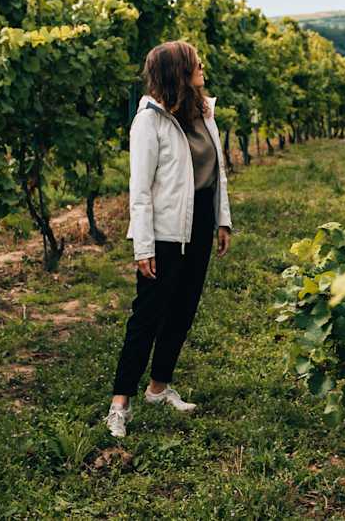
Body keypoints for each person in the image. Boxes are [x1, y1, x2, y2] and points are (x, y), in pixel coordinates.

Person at [106, 40, 233, 438]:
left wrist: (222, 222)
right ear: (178, 71)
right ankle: (120, 403)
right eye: (195, 63)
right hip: (163, 232)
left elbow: (218, 173)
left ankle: (159, 388)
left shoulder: (203, 112)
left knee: (183, 310)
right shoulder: (149, 121)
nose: (202, 67)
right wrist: (142, 246)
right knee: (147, 316)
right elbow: (139, 190)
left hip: (197, 224)